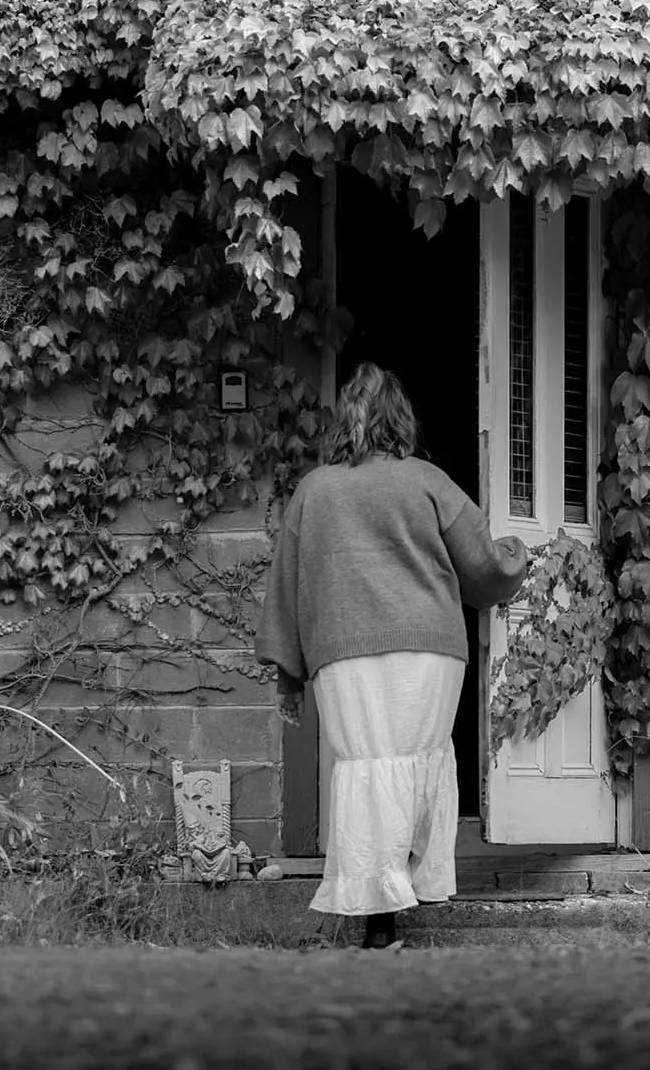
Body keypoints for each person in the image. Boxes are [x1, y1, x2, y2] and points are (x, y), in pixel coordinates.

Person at [255, 362, 531, 949]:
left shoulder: (313, 491)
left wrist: (288, 674)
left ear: (343, 424)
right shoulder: (427, 481)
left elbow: (286, 586)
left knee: (368, 770)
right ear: (400, 421)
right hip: (429, 652)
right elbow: (485, 567)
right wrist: (518, 551)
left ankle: (380, 926)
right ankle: (401, 900)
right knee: (415, 763)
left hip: (343, 652)